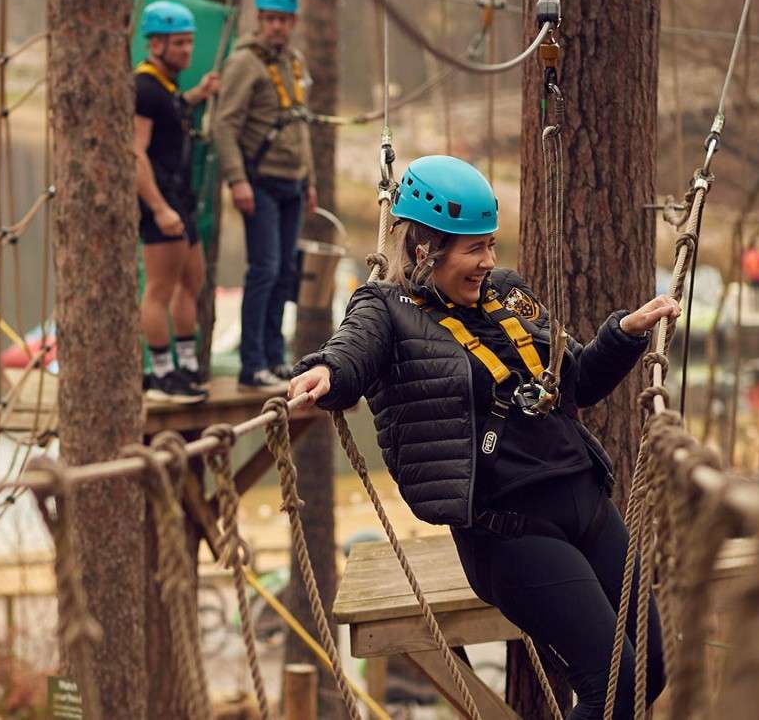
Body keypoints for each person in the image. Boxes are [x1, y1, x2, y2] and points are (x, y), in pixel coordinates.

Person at [288, 156, 678, 719]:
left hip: (588, 510)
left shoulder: (507, 294)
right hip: (512, 535)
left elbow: (575, 386)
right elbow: (352, 352)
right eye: (474, 249)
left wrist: (623, 334)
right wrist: (327, 374)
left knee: (651, 671)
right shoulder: (385, 311)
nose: (488, 262)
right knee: (608, 688)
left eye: (490, 246)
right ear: (425, 250)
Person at [213, 0, 317, 389]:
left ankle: (276, 359)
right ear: (260, 19)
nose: (276, 26)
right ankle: (251, 363)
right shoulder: (245, 62)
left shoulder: (293, 62)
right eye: (270, 18)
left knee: (286, 272)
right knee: (264, 269)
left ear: (292, 23)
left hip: (292, 182)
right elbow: (225, 125)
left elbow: (299, 124)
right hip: (260, 182)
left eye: (283, 19)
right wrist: (237, 179)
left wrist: (309, 181)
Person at [135, 0, 220, 403]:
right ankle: (162, 374)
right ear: (157, 44)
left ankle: (186, 365)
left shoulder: (166, 89)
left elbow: (174, 111)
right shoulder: (144, 88)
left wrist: (197, 95)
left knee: (192, 281)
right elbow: (135, 152)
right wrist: (158, 208)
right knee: (159, 289)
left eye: (189, 43)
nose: (187, 50)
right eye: (179, 43)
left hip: (181, 202)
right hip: (162, 203)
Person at [742, 242, 759, 312]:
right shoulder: (758, 255)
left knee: (752, 292)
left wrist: (747, 274)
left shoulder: (747, 256)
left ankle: (753, 308)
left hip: (751, 276)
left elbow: (745, 266)